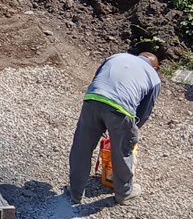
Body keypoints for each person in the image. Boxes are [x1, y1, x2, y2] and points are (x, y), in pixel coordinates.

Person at [67, 50, 160, 206]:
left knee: (81, 147)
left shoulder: (116, 57)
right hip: (121, 109)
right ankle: (124, 193)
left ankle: (75, 193)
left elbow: (97, 78)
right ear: (155, 67)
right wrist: (129, 134)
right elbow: (144, 112)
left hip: (93, 98)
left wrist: (101, 120)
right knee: (122, 151)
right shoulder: (154, 76)